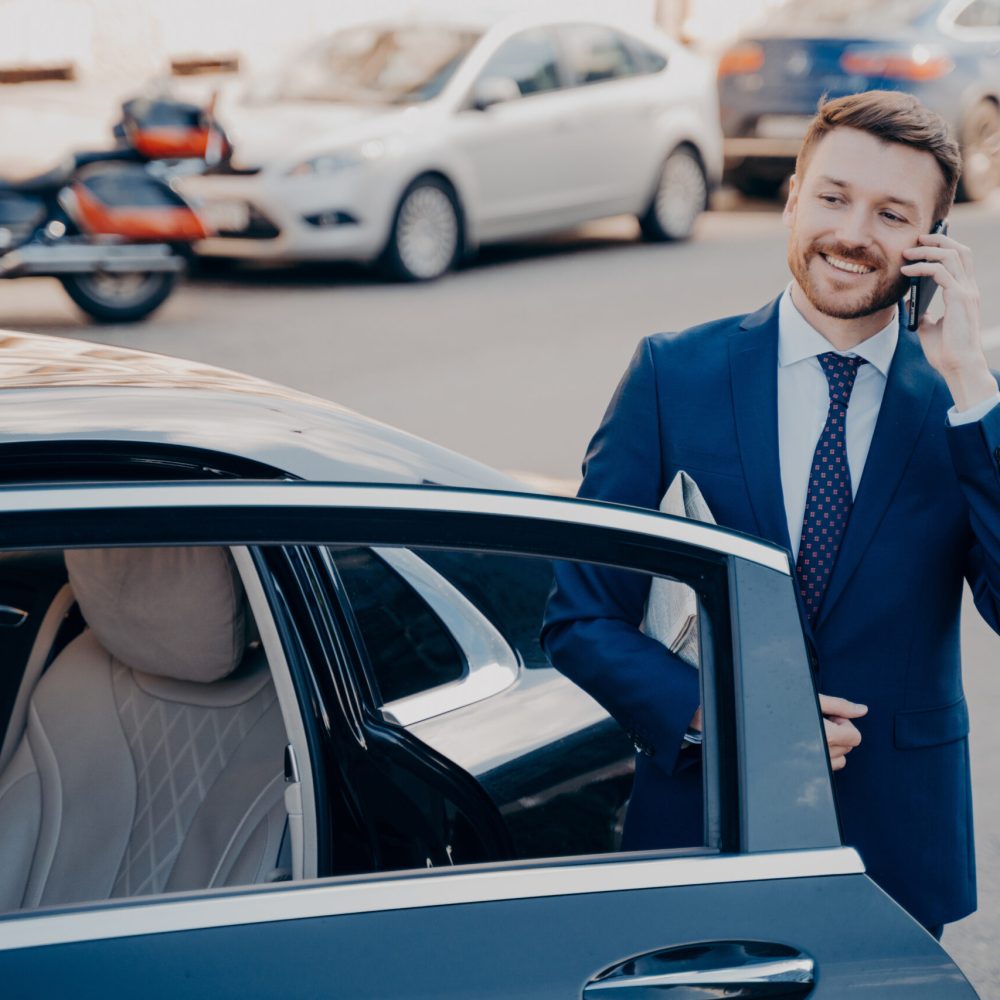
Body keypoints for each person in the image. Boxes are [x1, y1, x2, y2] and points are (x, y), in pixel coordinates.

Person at [541, 90, 999, 938]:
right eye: (833, 197)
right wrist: (730, 713)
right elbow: (579, 619)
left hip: (893, 849)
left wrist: (972, 383)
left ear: (936, 244)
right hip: (699, 825)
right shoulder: (670, 377)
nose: (854, 233)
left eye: (893, 213)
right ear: (792, 199)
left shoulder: (966, 408)